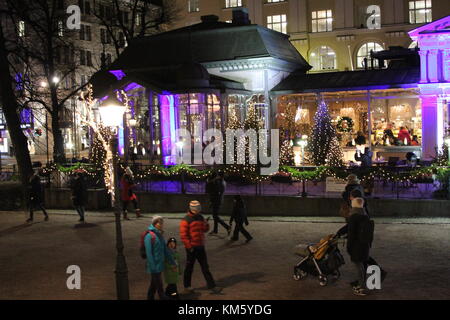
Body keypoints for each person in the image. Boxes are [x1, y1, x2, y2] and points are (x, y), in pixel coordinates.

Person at [180, 200, 222, 294]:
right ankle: (187, 287)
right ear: (194, 209)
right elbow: (184, 236)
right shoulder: (186, 220)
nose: (199, 210)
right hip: (192, 248)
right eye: (198, 208)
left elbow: (204, 230)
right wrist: (189, 247)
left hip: (200, 246)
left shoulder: (200, 217)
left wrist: (206, 224)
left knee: (205, 267)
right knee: (189, 268)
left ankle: (212, 286)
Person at [144, 216, 177, 300]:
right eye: (159, 223)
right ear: (154, 223)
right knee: (159, 286)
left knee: (154, 285)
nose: (161, 224)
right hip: (154, 266)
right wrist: (153, 266)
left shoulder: (160, 235)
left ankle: (150, 297)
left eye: (162, 223)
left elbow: (166, 251)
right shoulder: (149, 236)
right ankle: (163, 297)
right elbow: (149, 253)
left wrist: (172, 262)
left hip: (159, 265)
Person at [346, 198, 372, 296]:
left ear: (353, 206)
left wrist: (349, 247)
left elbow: (351, 235)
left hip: (356, 246)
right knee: (361, 266)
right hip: (365, 246)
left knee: (358, 266)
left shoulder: (353, 217)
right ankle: (362, 285)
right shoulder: (365, 216)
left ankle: (362, 288)